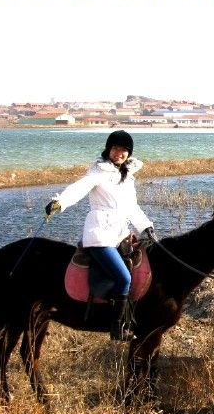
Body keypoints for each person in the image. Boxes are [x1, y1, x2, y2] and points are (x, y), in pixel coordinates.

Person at [45, 130, 155, 341]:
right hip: (100, 236)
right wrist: (60, 202)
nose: (119, 153)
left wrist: (146, 226)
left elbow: (132, 208)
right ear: (108, 149)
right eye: (115, 148)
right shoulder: (98, 172)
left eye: (124, 150)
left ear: (129, 153)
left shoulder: (127, 178)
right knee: (124, 278)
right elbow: (78, 189)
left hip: (120, 235)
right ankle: (117, 328)